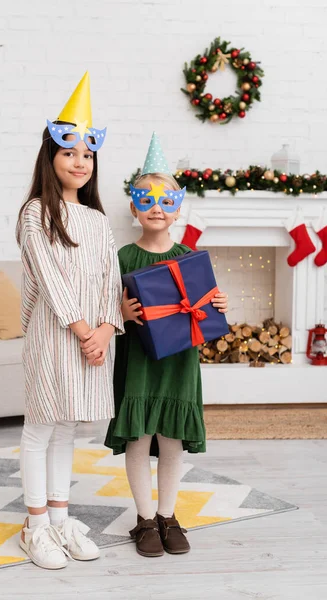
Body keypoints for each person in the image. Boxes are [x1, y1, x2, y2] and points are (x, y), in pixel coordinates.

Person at [16, 72, 124, 569]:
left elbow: (109, 278)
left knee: (67, 429)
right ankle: (34, 525)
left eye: (88, 155)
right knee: (41, 425)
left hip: (91, 338)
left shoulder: (99, 220)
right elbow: (50, 280)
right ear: (51, 157)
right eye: (69, 153)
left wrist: (105, 329)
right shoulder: (37, 212)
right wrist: (83, 330)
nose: (80, 162)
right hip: (54, 336)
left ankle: (60, 517)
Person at [102, 133, 228, 558]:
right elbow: (107, 313)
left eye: (167, 201)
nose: (158, 207)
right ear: (135, 206)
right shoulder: (121, 258)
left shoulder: (191, 256)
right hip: (139, 363)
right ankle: (143, 520)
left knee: (171, 440)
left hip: (179, 363)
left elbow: (203, 309)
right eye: (148, 199)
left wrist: (217, 304)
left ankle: (168, 515)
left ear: (177, 209)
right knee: (139, 439)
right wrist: (121, 314)